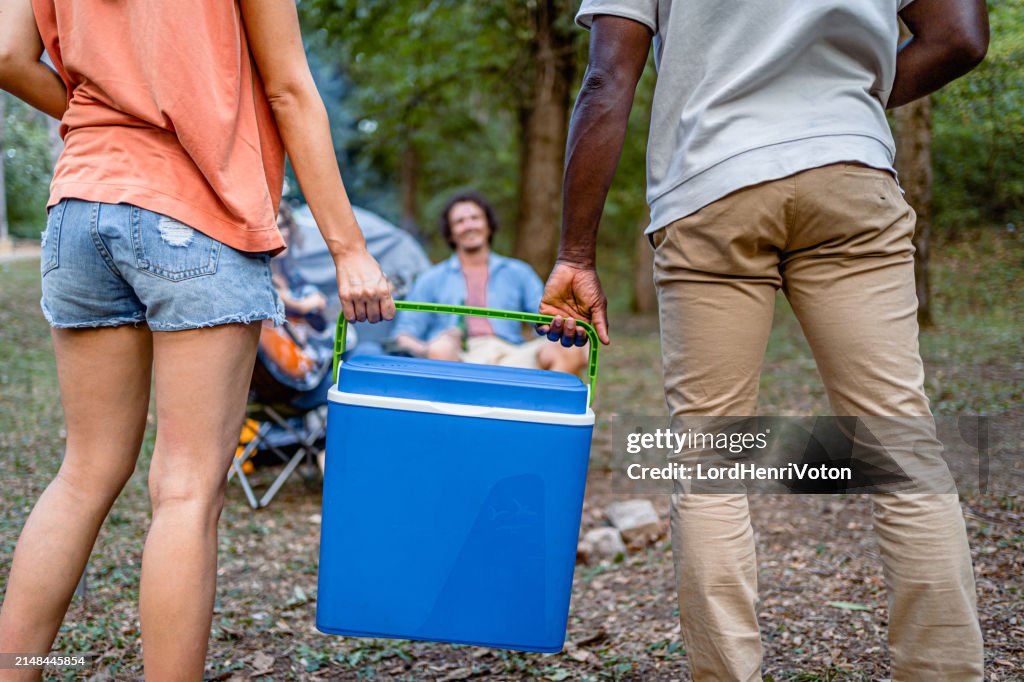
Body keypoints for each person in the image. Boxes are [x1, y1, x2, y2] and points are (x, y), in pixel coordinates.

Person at [538, 1, 989, 680]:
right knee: (901, 445)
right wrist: (845, 106)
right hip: (849, 173)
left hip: (710, 186)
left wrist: (576, 251)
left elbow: (608, 78)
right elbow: (959, 37)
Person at [0, 1, 393, 679]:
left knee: (85, 471)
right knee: (184, 489)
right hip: (198, 207)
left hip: (80, 205)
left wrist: (98, 121)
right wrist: (348, 248)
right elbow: (290, 88)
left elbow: (8, 55)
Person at [394, 191, 587, 374]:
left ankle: (545, 409)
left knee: (568, 350)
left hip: (512, 356)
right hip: (458, 359)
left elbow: (545, 319)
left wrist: (572, 335)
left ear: (488, 225)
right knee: (440, 348)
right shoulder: (431, 279)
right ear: (451, 233)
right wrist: (430, 347)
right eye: (460, 221)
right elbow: (403, 336)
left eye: (475, 218)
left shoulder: (518, 272)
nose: (469, 225)